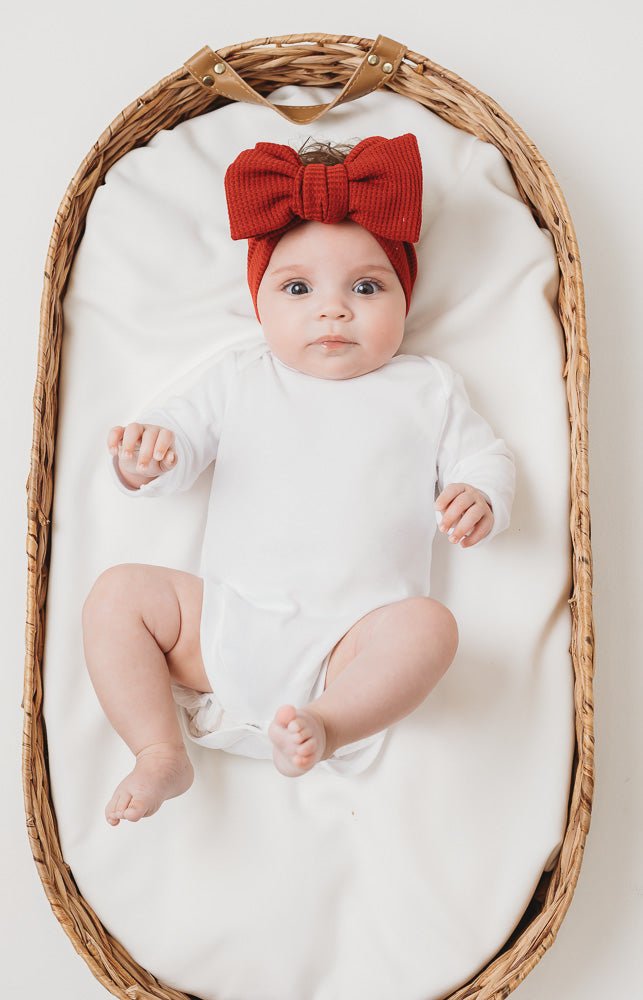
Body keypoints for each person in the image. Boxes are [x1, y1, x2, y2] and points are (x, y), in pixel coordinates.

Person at [81, 132, 515, 826]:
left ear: (405, 298)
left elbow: (484, 455)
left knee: (429, 628)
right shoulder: (241, 374)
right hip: (222, 626)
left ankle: (328, 725)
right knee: (117, 596)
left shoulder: (426, 388)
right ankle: (158, 749)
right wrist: (147, 459)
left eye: (366, 287)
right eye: (297, 287)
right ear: (260, 302)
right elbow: (180, 437)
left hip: (353, 644)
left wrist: (479, 493)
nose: (332, 309)